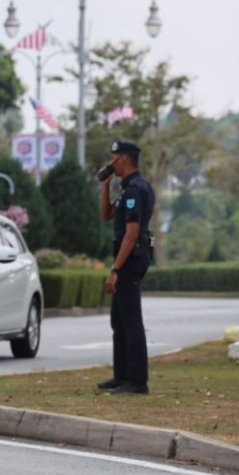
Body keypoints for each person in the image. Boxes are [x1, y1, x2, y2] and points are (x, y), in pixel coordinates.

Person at [97, 140, 156, 395]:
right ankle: (121, 376)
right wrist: (106, 185)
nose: (110, 164)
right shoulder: (127, 189)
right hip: (128, 260)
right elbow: (107, 214)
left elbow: (131, 235)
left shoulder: (135, 190)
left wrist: (115, 269)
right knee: (118, 321)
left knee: (131, 321)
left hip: (130, 261)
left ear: (122, 159)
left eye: (113, 159)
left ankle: (137, 381)